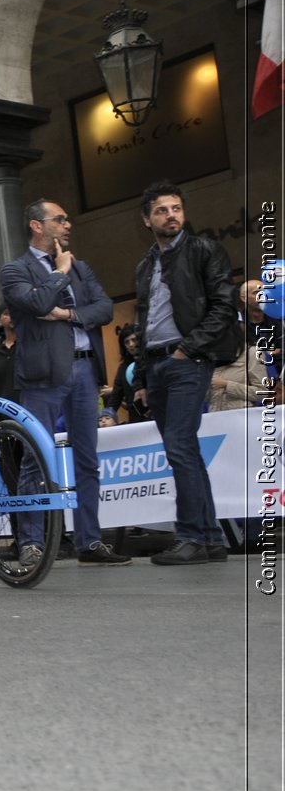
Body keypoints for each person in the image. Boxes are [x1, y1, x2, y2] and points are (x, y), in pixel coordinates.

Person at [0, 198, 131, 567]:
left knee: (87, 459)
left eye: (68, 219)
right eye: (59, 219)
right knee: (35, 460)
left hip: (87, 371)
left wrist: (70, 313)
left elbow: (104, 309)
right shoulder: (15, 270)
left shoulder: (81, 266)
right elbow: (39, 304)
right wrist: (58, 272)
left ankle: (90, 541)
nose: (68, 224)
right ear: (36, 226)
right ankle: (32, 542)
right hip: (44, 376)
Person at [131, 182, 242, 564]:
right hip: (158, 365)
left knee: (179, 446)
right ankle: (210, 539)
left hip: (187, 362)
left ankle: (192, 535)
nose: (171, 215)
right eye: (162, 210)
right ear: (147, 219)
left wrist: (187, 349)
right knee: (185, 450)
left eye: (176, 208)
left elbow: (224, 306)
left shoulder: (204, 250)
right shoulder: (145, 265)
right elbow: (143, 323)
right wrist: (143, 379)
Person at [209, 280, 273, 411]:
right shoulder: (212, 359)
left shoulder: (252, 353)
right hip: (214, 418)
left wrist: (226, 385)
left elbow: (263, 392)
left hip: (242, 418)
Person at [106, 325, 151, 423]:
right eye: (127, 342)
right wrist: (106, 416)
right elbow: (115, 398)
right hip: (136, 420)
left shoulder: (153, 360)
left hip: (157, 415)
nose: (131, 344)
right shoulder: (123, 368)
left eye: (134, 340)